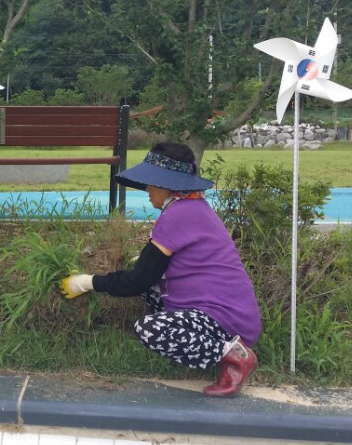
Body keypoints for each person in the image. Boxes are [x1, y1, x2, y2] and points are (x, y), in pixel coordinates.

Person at [59, 142, 262, 397]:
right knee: (150, 292)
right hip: (230, 312)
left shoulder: (178, 215)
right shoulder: (193, 207)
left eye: (151, 183)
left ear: (166, 185)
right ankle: (221, 346)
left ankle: (233, 355)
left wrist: (87, 282)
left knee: (150, 328)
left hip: (224, 318)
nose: (146, 190)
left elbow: (138, 280)